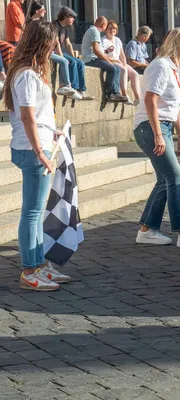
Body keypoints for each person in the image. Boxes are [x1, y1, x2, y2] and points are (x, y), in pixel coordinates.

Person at [6, 19, 71, 291]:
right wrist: (40, 151)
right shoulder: (26, 75)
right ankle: (30, 269)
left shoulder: (27, 72)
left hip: (39, 142)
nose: (55, 45)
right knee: (32, 212)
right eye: (52, 41)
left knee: (35, 211)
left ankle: (38, 264)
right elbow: (27, 116)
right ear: (43, 43)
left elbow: (37, 117)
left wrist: (52, 131)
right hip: (32, 148)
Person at [133, 27, 180, 248]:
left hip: (161, 126)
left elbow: (174, 108)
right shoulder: (161, 66)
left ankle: (147, 230)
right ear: (176, 44)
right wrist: (158, 135)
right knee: (175, 177)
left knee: (165, 179)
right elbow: (150, 100)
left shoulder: (174, 69)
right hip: (150, 127)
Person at [26, 1, 79, 100]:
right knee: (64, 61)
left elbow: (61, 42)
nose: (45, 11)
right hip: (40, 51)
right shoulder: (34, 23)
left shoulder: (40, 23)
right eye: (43, 10)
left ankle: (69, 86)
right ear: (37, 11)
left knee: (72, 61)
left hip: (46, 50)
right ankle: (65, 85)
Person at [81, 16, 127, 102]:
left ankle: (115, 92)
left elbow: (98, 50)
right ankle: (110, 93)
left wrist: (105, 52)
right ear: (103, 25)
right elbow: (96, 50)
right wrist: (108, 60)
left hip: (93, 58)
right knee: (113, 68)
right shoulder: (95, 32)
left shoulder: (92, 30)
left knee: (116, 68)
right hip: (91, 59)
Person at [54, 7, 93, 100]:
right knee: (72, 62)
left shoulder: (65, 29)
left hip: (60, 51)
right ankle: (73, 88)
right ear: (66, 16)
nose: (73, 20)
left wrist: (73, 57)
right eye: (72, 17)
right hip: (53, 51)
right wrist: (61, 56)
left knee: (80, 63)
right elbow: (56, 42)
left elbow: (68, 44)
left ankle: (81, 90)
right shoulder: (55, 25)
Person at [102, 20, 140, 105]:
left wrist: (124, 63)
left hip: (118, 61)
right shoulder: (103, 40)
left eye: (114, 29)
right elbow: (103, 55)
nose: (112, 30)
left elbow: (122, 55)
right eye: (110, 28)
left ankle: (137, 98)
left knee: (134, 74)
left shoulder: (117, 40)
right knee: (123, 69)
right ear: (106, 30)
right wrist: (119, 63)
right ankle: (125, 94)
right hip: (111, 61)